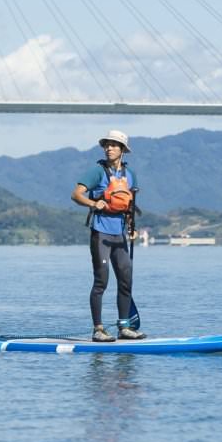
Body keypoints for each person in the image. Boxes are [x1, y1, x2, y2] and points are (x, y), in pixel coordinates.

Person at [72, 129, 146, 342]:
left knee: (126, 280)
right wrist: (94, 203)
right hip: (101, 232)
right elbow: (75, 194)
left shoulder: (130, 175)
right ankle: (98, 329)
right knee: (101, 281)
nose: (109, 148)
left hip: (120, 233)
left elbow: (130, 205)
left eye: (114, 145)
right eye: (107, 144)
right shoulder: (97, 172)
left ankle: (124, 327)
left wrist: (132, 227)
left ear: (123, 150)